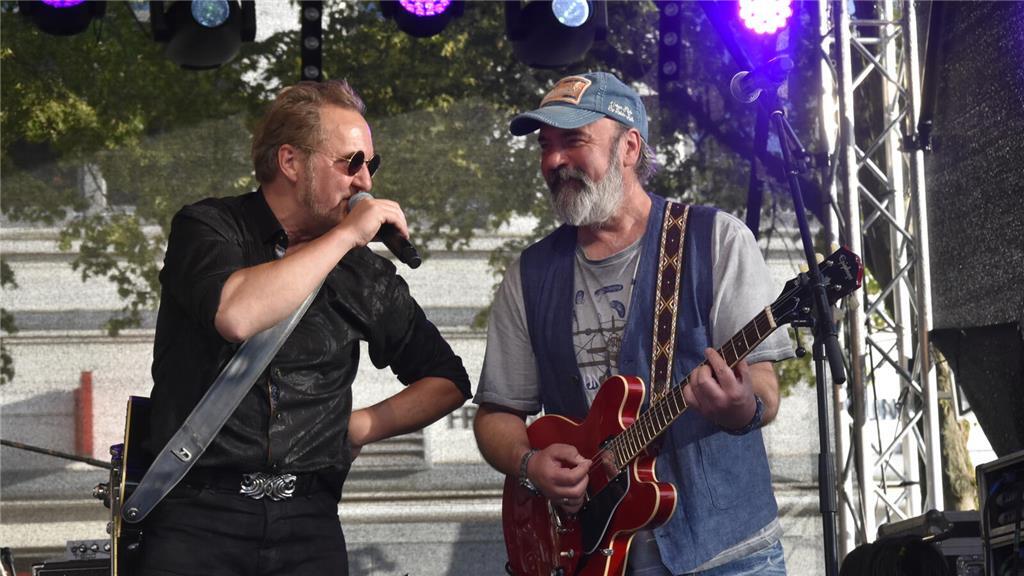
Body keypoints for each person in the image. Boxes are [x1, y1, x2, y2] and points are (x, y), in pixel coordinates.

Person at [141, 79, 471, 576]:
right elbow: (236, 315)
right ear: (291, 162)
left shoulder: (363, 272)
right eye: (351, 163)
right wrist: (345, 236)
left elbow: (447, 381)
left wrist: (361, 425)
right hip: (198, 517)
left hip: (308, 522)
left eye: (371, 165)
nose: (365, 183)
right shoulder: (210, 227)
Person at [473, 71, 795, 575]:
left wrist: (740, 406)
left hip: (727, 554)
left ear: (629, 147)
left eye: (573, 141)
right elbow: (496, 415)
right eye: (546, 146)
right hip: (592, 555)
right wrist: (529, 464)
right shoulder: (529, 275)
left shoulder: (717, 241)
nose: (553, 161)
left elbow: (765, 389)